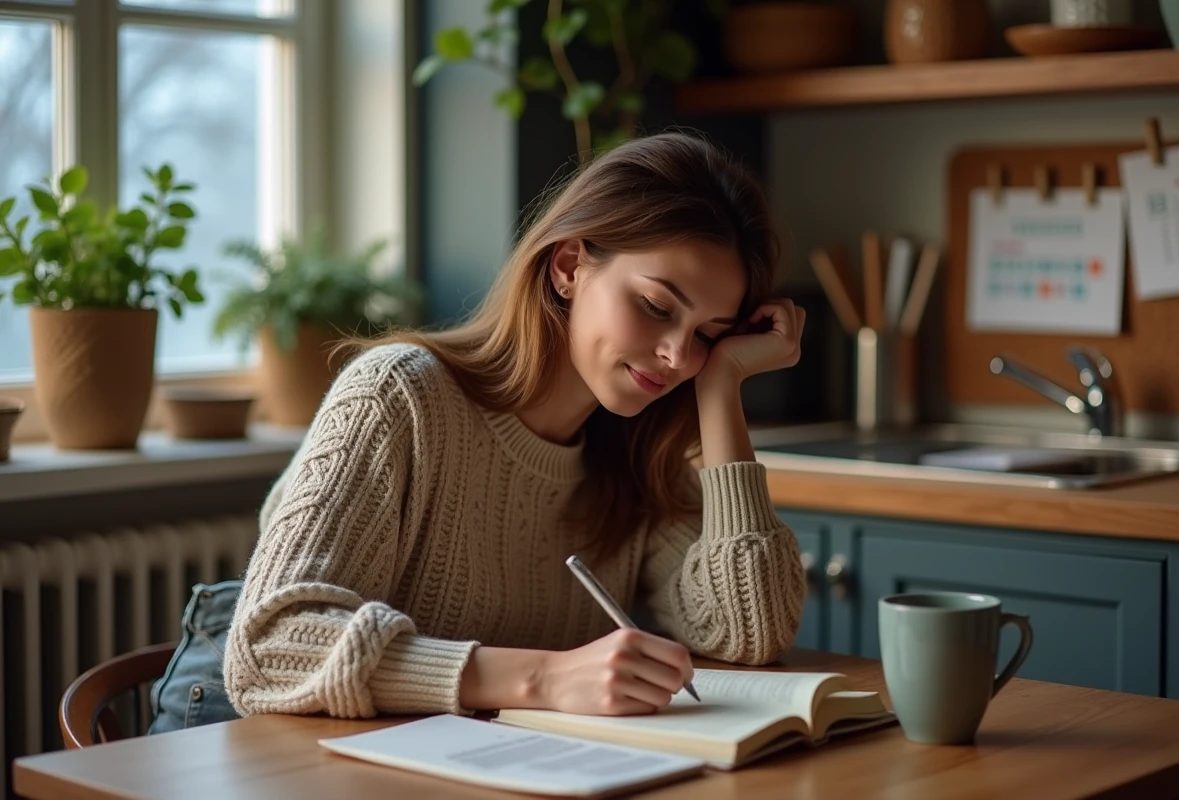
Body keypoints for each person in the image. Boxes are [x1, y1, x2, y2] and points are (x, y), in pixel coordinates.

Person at [216, 131, 808, 723]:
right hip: (297, 750)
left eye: (707, 335)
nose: (678, 355)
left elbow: (748, 632)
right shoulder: (398, 397)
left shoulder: (636, 457)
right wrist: (544, 679)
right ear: (569, 266)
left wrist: (722, 386)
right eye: (656, 306)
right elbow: (268, 650)